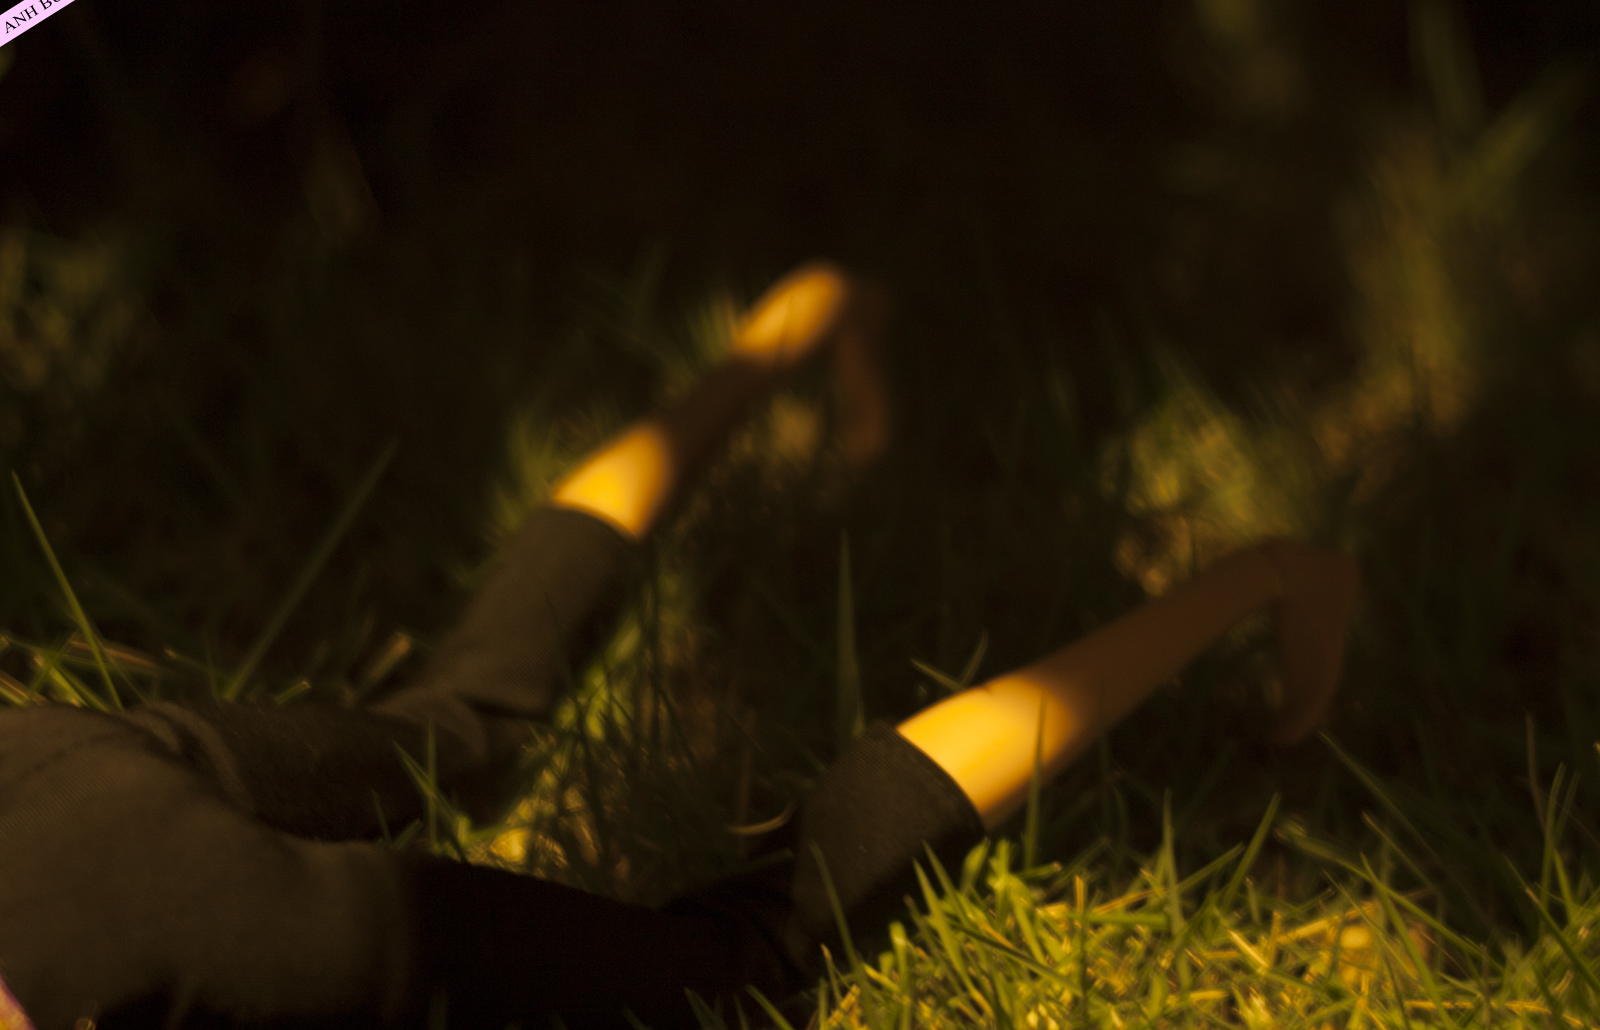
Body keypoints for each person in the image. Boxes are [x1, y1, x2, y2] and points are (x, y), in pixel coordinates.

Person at [0, 263, 1361, 1030]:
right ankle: (787, 330)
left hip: (126, 933)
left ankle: (1256, 579)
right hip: (35, 777)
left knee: (740, 961)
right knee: (457, 720)